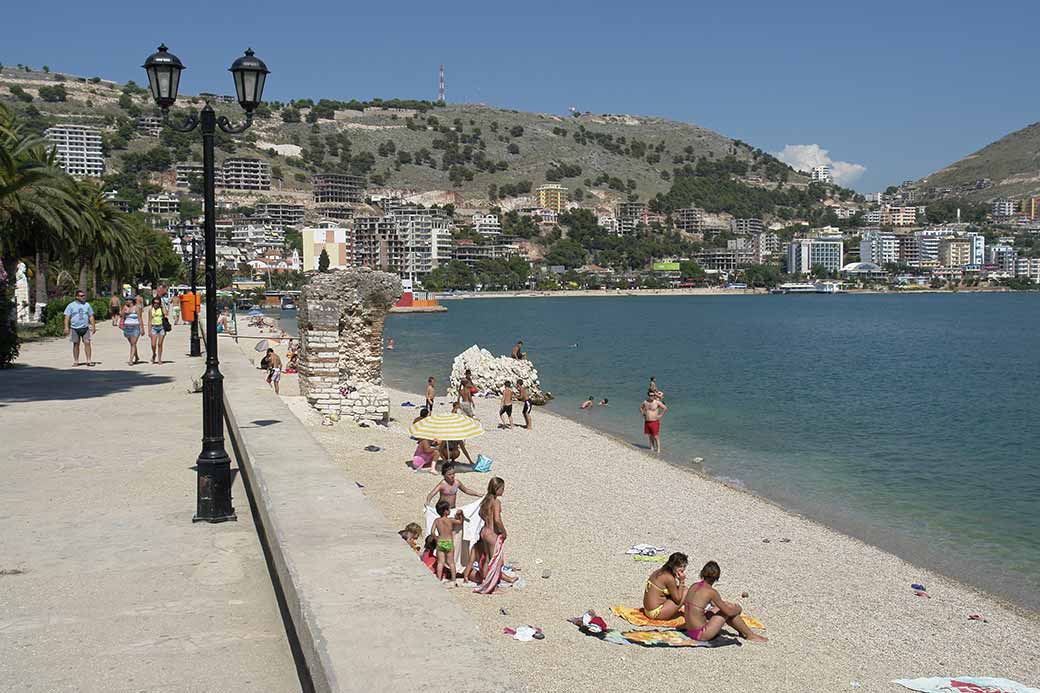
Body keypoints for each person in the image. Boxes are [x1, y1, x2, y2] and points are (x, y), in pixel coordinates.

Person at [683, 561, 768, 643]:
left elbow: (709, 603)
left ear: (702, 573)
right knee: (729, 611)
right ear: (717, 578)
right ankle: (750, 635)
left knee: (722, 607)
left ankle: (742, 632)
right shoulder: (711, 592)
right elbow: (728, 612)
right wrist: (738, 608)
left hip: (690, 631)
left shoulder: (694, 586)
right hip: (701, 634)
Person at [474, 477, 516, 593]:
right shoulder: (496, 502)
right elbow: (497, 519)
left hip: (484, 530)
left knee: (487, 558)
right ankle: (493, 586)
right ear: (497, 488)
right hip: (492, 533)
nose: (503, 490)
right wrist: (503, 531)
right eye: (502, 488)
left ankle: (485, 580)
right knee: (495, 561)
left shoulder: (486, 500)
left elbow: (480, 513)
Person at [643, 552, 688, 620]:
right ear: (673, 566)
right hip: (655, 613)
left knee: (680, 590)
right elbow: (678, 600)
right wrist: (682, 581)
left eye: (684, 566)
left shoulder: (660, 571)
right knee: (685, 591)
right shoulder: (669, 578)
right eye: (680, 566)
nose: (683, 569)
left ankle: (693, 608)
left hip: (647, 610)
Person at [432, 501, 465, 582]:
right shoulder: (450, 520)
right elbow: (460, 522)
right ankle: (453, 579)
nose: (450, 510)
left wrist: (436, 538)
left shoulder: (437, 521)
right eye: (449, 509)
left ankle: (439, 578)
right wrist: (461, 515)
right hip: (449, 542)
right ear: (446, 511)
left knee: (440, 562)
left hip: (440, 542)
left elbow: (432, 532)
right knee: (451, 562)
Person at [63, 290, 96, 366]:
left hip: (85, 328)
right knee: (76, 344)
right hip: (75, 328)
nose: (83, 297)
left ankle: (88, 360)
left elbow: (91, 316)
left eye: (83, 295)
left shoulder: (87, 305)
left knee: (87, 343)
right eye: (81, 296)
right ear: (77, 297)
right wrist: (66, 327)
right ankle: (76, 361)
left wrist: (93, 326)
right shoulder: (71, 305)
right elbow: (67, 317)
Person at [147, 295, 169, 365]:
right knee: (153, 344)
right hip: (154, 327)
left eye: (157, 303)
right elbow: (149, 321)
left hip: (161, 327)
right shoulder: (151, 310)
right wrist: (149, 330)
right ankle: (154, 354)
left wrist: (162, 304)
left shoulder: (161, 309)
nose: (156, 304)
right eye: (155, 303)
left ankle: (159, 359)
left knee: (160, 344)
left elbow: (166, 313)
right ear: (152, 303)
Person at [121, 298, 143, 366]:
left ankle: (130, 360)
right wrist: (124, 312)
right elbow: (122, 316)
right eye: (126, 300)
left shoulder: (136, 308)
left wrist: (142, 328)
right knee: (132, 344)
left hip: (135, 327)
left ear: (131, 301)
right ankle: (136, 356)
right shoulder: (125, 307)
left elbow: (140, 318)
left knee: (133, 344)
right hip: (127, 327)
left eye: (128, 300)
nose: (127, 301)